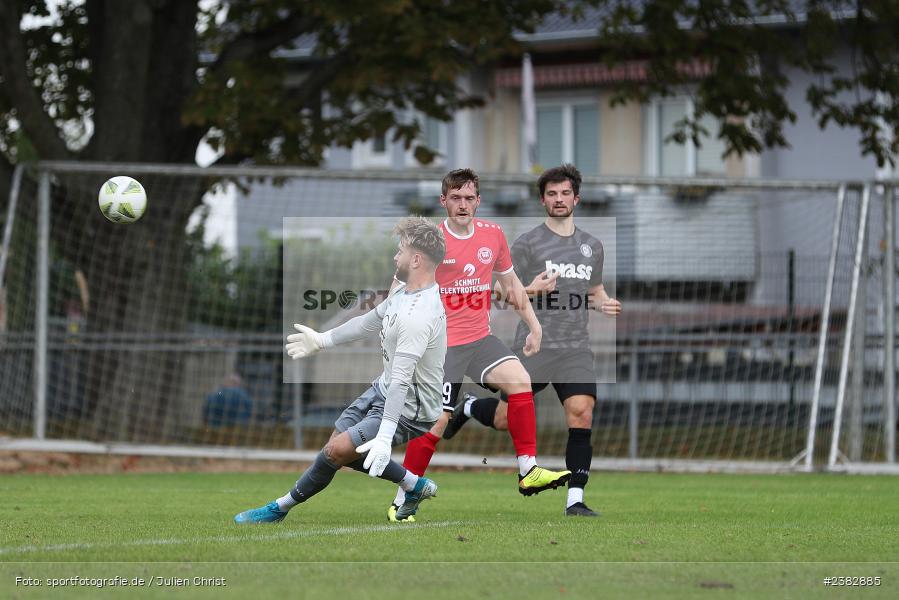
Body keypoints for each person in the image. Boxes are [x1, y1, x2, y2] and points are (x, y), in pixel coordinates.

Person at [234, 217, 447, 524]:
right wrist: (322, 340)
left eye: (400, 250)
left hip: (411, 407)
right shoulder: (403, 292)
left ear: (416, 259)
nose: (394, 257)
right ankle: (413, 485)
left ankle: (279, 508)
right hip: (383, 389)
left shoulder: (420, 314)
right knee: (338, 448)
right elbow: (369, 321)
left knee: (336, 451)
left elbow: (402, 380)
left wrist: (385, 436)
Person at [387, 168, 571, 522]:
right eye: (455, 198)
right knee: (435, 425)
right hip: (439, 348)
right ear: (443, 201)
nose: (462, 204)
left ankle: (528, 470)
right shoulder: (426, 240)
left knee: (520, 382)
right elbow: (397, 289)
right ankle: (404, 496)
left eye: (469, 198)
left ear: (478, 201)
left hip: (479, 339)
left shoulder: (492, 235)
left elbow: (511, 284)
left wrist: (533, 326)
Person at [443, 164, 621, 517]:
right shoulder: (526, 244)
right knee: (505, 419)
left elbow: (594, 291)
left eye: (565, 193)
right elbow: (505, 292)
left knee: (582, 412)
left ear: (577, 199)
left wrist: (605, 303)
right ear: (543, 200)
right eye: (552, 194)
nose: (559, 199)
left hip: (575, 347)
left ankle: (575, 500)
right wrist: (532, 290)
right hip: (533, 345)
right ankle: (467, 408)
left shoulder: (592, 246)